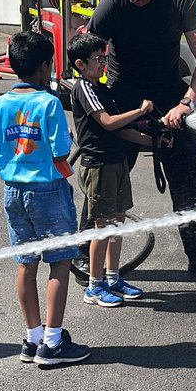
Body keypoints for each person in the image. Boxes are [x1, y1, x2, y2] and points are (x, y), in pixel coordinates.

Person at [87, 0, 196, 285]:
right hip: (123, 96)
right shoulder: (114, 2)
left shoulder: (181, 0)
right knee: (107, 179)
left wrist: (185, 103)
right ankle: (85, 255)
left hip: (168, 95)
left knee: (189, 181)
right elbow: (86, 51)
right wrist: (97, 102)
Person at [0, 31, 90, 369]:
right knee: (60, 262)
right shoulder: (49, 104)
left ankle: (32, 337)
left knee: (25, 263)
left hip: (12, 192)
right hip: (47, 190)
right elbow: (62, 153)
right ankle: (53, 342)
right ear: (45, 66)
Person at [67, 31, 153, 308]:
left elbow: (123, 131)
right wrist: (140, 111)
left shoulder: (103, 89)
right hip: (99, 165)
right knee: (102, 227)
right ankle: (94, 287)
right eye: (97, 58)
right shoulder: (84, 89)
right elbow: (107, 122)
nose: (103, 62)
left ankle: (113, 278)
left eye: (104, 57)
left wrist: (155, 140)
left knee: (117, 224)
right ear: (80, 64)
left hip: (117, 162)